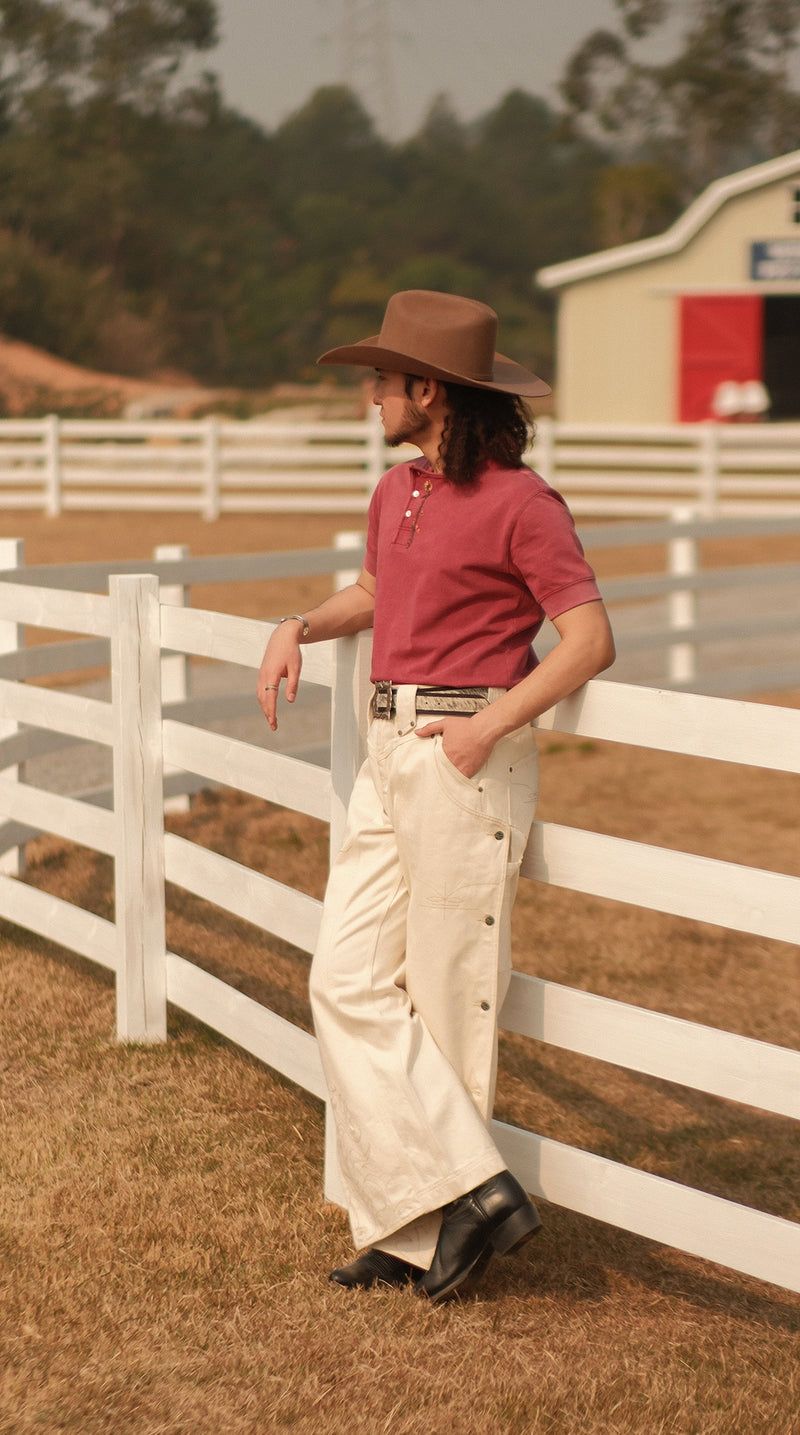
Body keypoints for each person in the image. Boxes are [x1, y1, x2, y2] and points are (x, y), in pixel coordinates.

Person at [256, 291, 615, 1303]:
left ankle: (420, 1228)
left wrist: (490, 724)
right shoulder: (394, 490)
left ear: (431, 390)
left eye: (384, 377)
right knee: (346, 980)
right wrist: (299, 622)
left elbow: (589, 641)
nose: (370, 392)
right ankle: (478, 1188)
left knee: (450, 993)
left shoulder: (524, 502)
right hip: (387, 748)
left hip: (466, 751)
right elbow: (378, 593)